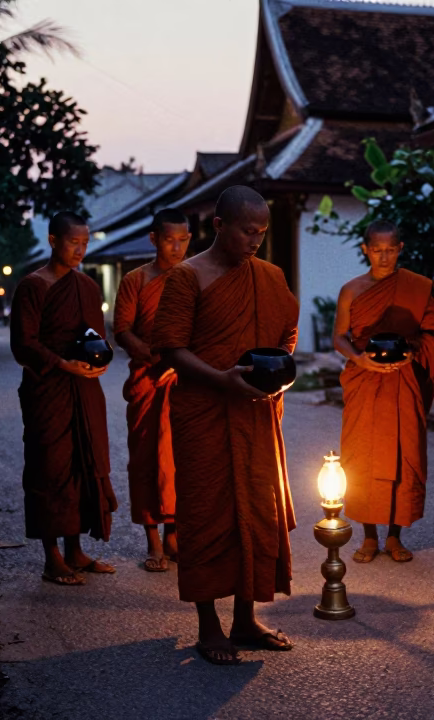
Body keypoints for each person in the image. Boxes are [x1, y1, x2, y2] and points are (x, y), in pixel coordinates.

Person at [152, 186, 299, 665]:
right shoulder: (186, 278)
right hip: (206, 411)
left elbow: (286, 334)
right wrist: (222, 379)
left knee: (255, 513)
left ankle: (244, 618)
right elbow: (171, 349)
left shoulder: (270, 277)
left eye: (262, 232)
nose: (255, 240)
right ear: (218, 226)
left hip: (254, 413)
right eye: (247, 231)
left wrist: (277, 374)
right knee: (207, 514)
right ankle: (208, 625)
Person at [10, 211, 118, 586]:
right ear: (53, 240)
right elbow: (23, 344)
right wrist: (62, 364)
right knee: (50, 467)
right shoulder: (33, 286)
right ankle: (51, 556)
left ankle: (75, 549)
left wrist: (99, 361)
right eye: (74, 242)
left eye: (86, 243)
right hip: (48, 389)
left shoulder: (87, 287)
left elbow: (96, 336)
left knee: (84, 463)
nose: (80, 250)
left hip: (85, 389)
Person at [332, 220, 434, 564]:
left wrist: (414, 351)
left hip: (403, 379)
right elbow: (339, 336)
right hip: (365, 380)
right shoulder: (351, 290)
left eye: (390, 250)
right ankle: (368, 537)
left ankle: (395, 536)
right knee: (361, 456)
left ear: (400, 249)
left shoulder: (416, 287)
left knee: (403, 453)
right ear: (366, 249)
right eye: (377, 250)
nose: (384, 257)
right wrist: (359, 359)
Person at [114, 209, 191, 572]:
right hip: (147, 376)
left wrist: (177, 363)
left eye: (183, 239)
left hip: (184, 377)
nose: (176, 247)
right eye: (169, 239)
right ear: (154, 239)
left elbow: (204, 330)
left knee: (180, 458)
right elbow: (122, 329)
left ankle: (176, 533)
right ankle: (153, 540)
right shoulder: (137, 279)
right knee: (146, 458)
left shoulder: (195, 277)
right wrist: (152, 357)